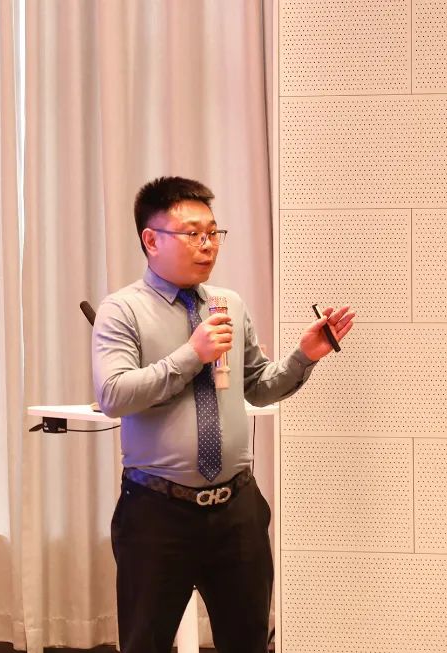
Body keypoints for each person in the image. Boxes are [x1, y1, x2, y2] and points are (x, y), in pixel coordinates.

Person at [92, 176, 353, 653]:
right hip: (157, 513)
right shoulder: (122, 311)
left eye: (213, 233)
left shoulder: (227, 303)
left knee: (248, 641)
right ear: (151, 240)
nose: (207, 244)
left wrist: (305, 355)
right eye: (192, 233)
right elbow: (113, 394)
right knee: (145, 642)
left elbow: (259, 387)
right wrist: (192, 355)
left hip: (237, 510)